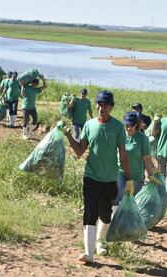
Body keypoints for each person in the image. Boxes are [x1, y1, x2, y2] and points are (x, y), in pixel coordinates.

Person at [60, 90, 131, 264]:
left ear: (111, 107)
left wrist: (129, 179)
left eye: (106, 105)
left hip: (109, 179)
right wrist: (68, 133)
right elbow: (79, 151)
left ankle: (100, 242)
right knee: (89, 212)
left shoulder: (118, 127)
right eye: (99, 104)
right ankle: (88, 252)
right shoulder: (89, 125)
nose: (101, 108)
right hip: (91, 177)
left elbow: (123, 155)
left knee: (106, 215)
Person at [113, 111, 159, 212]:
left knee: (131, 200)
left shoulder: (142, 139)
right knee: (116, 197)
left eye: (131, 125)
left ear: (136, 124)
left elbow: (147, 159)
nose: (128, 128)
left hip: (136, 176)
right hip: (120, 172)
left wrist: (150, 175)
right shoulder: (120, 135)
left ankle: (128, 223)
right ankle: (114, 222)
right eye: (126, 125)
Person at [21, 75, 47, 140]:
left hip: (32, 108)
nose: (35, 85)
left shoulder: (36, 89)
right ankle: (24, 134)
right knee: (26, 120)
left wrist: (43, 78)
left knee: (35, 120)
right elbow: (22, 94)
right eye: (35, 84)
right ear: (32, 83)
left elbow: (45, 86)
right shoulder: (27, 87)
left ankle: (29, 131)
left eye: (37, 84)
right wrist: (22, 87)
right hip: (25, 107)